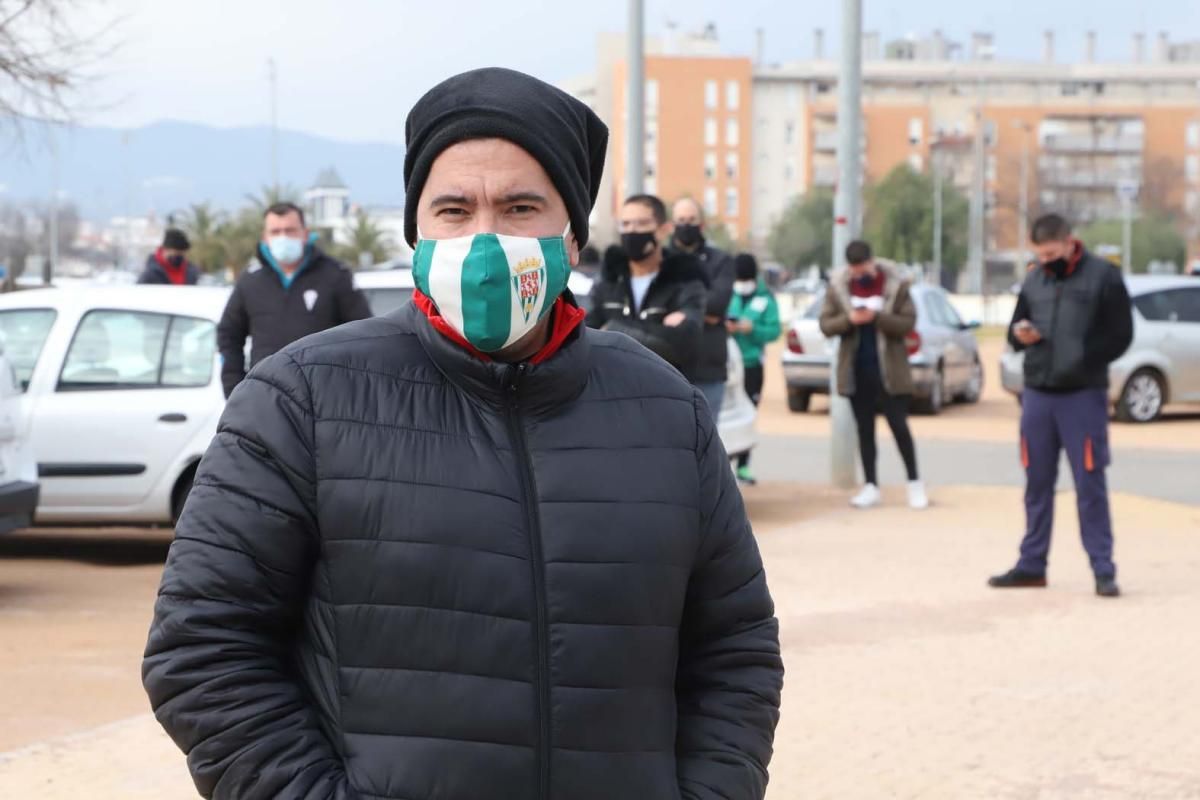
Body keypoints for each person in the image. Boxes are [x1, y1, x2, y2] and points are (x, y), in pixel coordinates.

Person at [144, 67, 782, 800]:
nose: (485, 239)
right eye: (453, 209)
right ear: (417, 231)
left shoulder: (664, 411)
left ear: (570, 236)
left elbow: (736, 650)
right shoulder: (300, 401)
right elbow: (203, 649)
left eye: (519, 207)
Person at [990, 213, 1133, 598]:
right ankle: (1031, 565)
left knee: (1090, 484)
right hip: (1037, 393)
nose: (1046, 260)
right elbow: (1013, 330)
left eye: (1052, 253)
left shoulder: (1104, 276)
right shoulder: (1035, 277)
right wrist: (1022, 336)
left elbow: (1122, 334)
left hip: (1082, 395)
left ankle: (1103, 569)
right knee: (1036, 484)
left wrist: (1084, 358)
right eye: (1040, 254)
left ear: (1070, 242)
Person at [215, 202, 371, 398]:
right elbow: (228, 335)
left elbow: (363, 335)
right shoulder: (250, 281)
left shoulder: (335, 276)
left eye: (290, 230)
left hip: (324, 398)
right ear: (265, 237)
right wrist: (235, 390)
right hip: (265, 399)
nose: (283, 237)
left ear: (305, 234)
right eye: (276, 231)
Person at [819, 240, 928, 510]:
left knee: (899, 428)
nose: (858, 274)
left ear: (871, 261)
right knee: (864, 431)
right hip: (856, 372)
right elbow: (826, 323)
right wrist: (849, 321)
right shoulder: (839, 287)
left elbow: (908, 323)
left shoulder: (895, 284)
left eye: (862, 268)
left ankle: (915, 484)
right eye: (854, 270)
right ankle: (871, 486)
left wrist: (877, 317)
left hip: (891, 372)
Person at [586, 194, 706, 375]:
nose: (632, 231)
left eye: (641, 223)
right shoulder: (609, 280)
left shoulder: (685, 279)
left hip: (665, 388)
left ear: (663, 230)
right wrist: (655, 333)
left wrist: (614, 329)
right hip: (612, 384)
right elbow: (586, 334)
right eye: (625, 224)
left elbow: (684, 344)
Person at [669, 197, 735, 417]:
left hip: (708, 369)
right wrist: (699, 310)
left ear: (702, 225)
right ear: (671, 225)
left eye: (691, 220)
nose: (686, 225)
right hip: (667, 365)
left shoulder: (721, 261)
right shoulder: (660, 260)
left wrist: (677, 307)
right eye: (681, 220)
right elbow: (655, 304)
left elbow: (717, 305)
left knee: (705, 442)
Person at [727, 253, 781, 486]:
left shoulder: (766, 298)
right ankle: (723, 464)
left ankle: (744, 465)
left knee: (749, 411)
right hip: (726, 363)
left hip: (751, 365)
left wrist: (753, 330)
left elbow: (774, 330)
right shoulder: (727, 293)